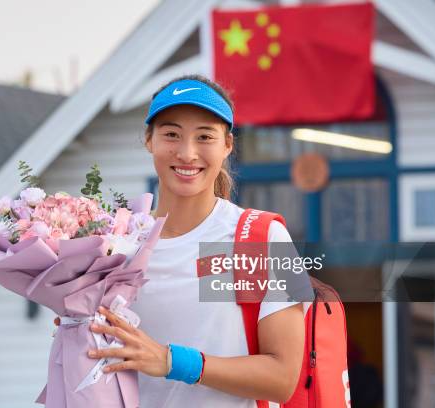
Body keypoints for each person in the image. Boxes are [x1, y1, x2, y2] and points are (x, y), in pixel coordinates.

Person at [59, 74, 306, 407]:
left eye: (204, 136)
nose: (187, 153)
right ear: (149, 140)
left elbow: (283, 379)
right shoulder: (115, 242)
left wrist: (171, 361)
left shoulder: (262, 237)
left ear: (227, 145)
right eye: (171, 134)